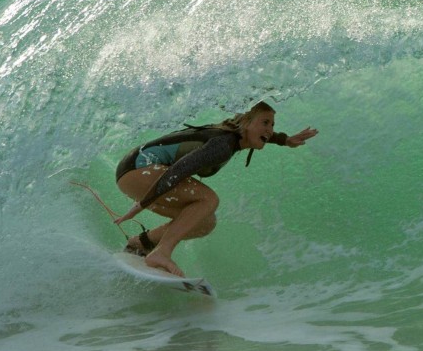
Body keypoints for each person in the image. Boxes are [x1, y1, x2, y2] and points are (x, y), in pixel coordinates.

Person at [114, 101, 318, 277]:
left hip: (139, 173)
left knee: (205, 222)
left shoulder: (234, 137)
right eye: (265, 122)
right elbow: (177, 171)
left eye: (272, 125)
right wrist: (140, 206)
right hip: (138, 168)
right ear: (245, 122)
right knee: (209, 199)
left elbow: (262, 134)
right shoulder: (222, 145)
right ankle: (162, 252)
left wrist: (285, 140)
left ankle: (141, 244)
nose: (270, 129)